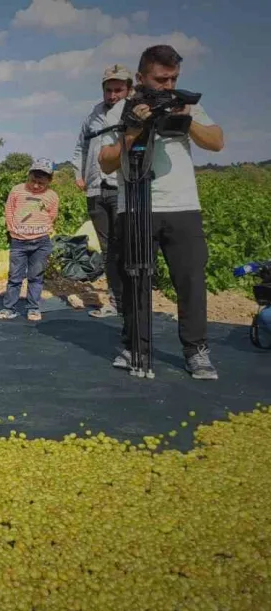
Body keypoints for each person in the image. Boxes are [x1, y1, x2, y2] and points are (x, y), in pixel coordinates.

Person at [98, 44, 225, 380]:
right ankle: (134, 347)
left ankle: (196, 351)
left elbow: (216, 142)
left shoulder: (186, 103)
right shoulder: (121, 109)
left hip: (183, 205)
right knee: (134, 280)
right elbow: (106, 162)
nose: (168, 85)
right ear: (141, 78)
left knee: (191, 280)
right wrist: (134, 131)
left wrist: (187, 120)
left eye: (174, 78)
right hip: (136, 205)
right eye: (161, 79)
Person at [73, 64, 133, 319]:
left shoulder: (135, 114)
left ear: (129, 90)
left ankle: (132, 302)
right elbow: (80, 148)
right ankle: (115, 301)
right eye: (108, 90)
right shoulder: (93, 115)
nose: (112, 96)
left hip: (123, 187)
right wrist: (79, 174)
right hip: (96, 189)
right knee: (108, 249)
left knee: (127, 247)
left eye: (118, 90)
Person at [0, 158, 60, 322]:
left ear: (49, 181)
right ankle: (9, 308)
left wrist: (41, 229)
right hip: (19, 242)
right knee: (15, 277)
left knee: (36, 277)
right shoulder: (17, 191)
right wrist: (12, 229)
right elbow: (9, 210)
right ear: (28, 176)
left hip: (41, 242)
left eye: (41, 183)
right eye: (33, 181)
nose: (36, 186)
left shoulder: (51, 196)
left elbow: (52, 216)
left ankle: (33, 308)